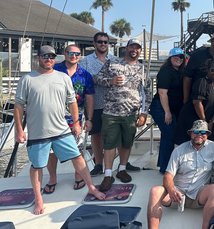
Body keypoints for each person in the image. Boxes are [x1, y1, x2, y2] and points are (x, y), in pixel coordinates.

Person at [14, 46, 105, 215]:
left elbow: (72, 102)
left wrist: (77, 123)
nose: (48, 59)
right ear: (38, 58)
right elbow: (18, 105)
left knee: (78, 157)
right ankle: (38, 198)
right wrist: (19, 130)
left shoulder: (63, 77)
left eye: (51, 56)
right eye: (45, 56)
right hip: (38, 132)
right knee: (37, 165)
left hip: (62, 129)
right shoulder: (26, 79)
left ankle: (91, 187)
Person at [94, 38, 151, 191]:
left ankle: (122, 169)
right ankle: (107, 174)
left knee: (127, 142)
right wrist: (110, 81)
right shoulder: (112, 63)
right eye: (132, 46)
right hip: (111, 111)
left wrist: (144, 113)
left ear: (140, 50)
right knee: (110, 143)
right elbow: (97, 78)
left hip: (131, 113)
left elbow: (147, 92)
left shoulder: (142, 70)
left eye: (137, 47)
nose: (134, 49)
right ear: (126, 48)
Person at [147, 120, 214, 229]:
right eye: (196, 131)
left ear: (207, 135)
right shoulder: (179, 150)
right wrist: (171, 190)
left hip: (198, 194)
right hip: (177, 195)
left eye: (203, 132)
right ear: (191, 133)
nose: (200, 134)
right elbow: (168, 176)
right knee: (154, 191)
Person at [44, 44, 95, 193]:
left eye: (77, 54)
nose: (73, 56)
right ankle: (52, 178)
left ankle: (78, 176)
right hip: (53, 116)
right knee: (51, 150)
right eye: (70, 53)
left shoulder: (85, 75)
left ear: (80, 56)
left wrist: (89, 118)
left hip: (75, 118)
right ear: (65, 54)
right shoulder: (54, 70)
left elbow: (89, 98)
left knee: (76, 149)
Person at [183, 31, 214, 144]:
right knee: (198, 131)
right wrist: (185, 99)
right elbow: (187, 77)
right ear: (211, 42)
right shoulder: (197, 56)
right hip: (200, 101)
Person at [80, 32, 117, 176]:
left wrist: (99, 79)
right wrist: (105, 80)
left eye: (105, 42)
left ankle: (121, 164)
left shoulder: (115, 60)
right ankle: (98, 164)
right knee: (96, 135)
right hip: (94, 104)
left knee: (114, 134)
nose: (103, 44)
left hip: (113, 104)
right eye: (100, 42)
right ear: (94, 43)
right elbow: (85, 79)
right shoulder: (86, 61)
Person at [149, 48, 186, 174]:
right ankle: (166, 169)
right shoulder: (166, 71)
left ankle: (163, 164)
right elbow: (162, 93)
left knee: (166, 135)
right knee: (170, 135)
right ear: (170, 58)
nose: (178, 59)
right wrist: (167, 112)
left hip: (171, 108)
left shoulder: (180, 72)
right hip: (161, 107)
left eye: (181, 57)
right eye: (175, 57)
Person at [174, 59, 214, 145]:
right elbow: (197, 103)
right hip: (191, 119)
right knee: (189, 147)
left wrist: (211, 122)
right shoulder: (202, 82)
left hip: (206, 121)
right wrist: (204, 122)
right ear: (208, 71)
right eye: (213, 70)